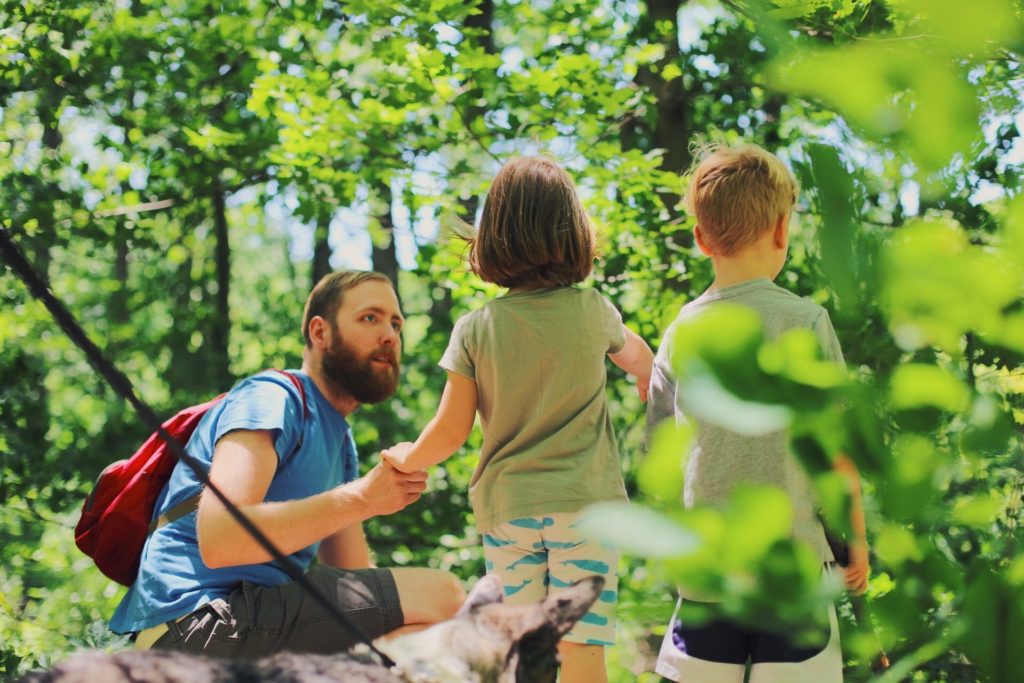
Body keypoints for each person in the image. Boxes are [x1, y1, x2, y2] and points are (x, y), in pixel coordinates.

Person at [381, 156, 654, 683]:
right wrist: (646, 379)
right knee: (581, 651)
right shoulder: (594, 309)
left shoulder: (476, 328)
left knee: (516, 654)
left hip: (511, 511)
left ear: (494, 237)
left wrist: (407, 457)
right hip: (587, 508)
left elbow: (451, 429)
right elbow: (641, 358)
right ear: (572, 231)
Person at [110, 270, 466, 657]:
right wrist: (363, 496)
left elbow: (355, 578)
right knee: (443, 595)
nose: (389, 335)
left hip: (248, 621)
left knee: (415, 635)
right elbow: (220, 538)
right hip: (196, 621)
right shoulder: (273, 397)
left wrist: (365, 497)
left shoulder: (340, 441)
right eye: (370, 317)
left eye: (396, 323)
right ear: (320, 332)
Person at [647, 143, 869, 683]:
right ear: (781, 229)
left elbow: (662, 467)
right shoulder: (807, 321)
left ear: (701, 238)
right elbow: (837, 454)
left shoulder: (680, 334)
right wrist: (856, 544)